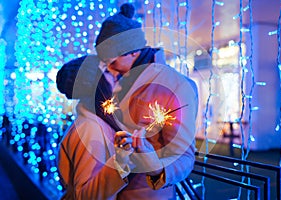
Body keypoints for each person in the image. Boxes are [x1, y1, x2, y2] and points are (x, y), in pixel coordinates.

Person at [94, 3, 199, 199]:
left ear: (133, 51)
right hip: (118, 191)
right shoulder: (123, 83)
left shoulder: (173, 85)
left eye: (113, 61)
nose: (110, 69)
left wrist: (154, 167)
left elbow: (184, 157)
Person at [56, 55, 140, 199]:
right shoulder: (89, 129)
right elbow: (84, 195)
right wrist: (120, 164)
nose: (116, 75)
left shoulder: (93, 124)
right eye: (107, 72)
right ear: (94, 82)